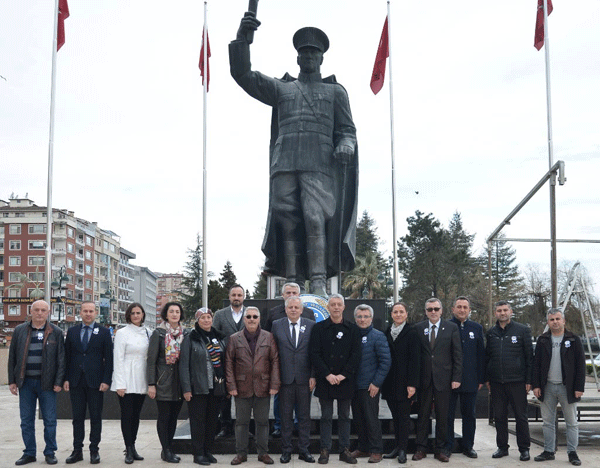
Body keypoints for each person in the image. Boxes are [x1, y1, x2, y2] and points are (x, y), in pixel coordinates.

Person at [229, 13, 358, 296]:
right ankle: (293, 280)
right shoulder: (282, 88)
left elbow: (348, 129)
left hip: (319, 162)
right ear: (298, 58)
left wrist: (346, 144)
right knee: (288, 220)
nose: (309, 57)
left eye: (314, 53)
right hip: (285, 161)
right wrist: (243, 39)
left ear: (322, 58)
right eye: (304, 53)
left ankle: (319, 281)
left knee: (314, 217)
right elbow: (243, 74)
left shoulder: (335, 92)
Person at [8, 300, 65, 466]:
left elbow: (61, 359)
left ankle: (50, 452)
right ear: (30, 311)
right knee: (26, 420)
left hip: (47, 384)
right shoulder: (19, 330)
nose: (40, 313)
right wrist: (12, 380)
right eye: (37, 310)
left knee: (49, 420)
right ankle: (29, 453)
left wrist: (58, 381)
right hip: (25, 383)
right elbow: (12, 357)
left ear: (48, 312)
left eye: (43, 310)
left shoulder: (56, 331)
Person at [309, 294, 361, 465]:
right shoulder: (318, 328)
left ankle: (344, 450)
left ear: (344, 307)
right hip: (326, 379)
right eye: (333, 304)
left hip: (345, 380)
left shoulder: (352, 329)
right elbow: (314, 354)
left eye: (339, 304)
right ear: (328, 307)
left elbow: (356, 354)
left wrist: (343, 375)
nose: (336, 307)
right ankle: (325, 450)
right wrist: (327, 374)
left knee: (345, 416)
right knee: (325, 416)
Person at [225, 307, 280, 465]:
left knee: (262, 422)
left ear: (259, 318)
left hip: (263, 386)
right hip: (241, 387)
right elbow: (228, 364)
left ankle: (263, 453)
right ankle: (241, 453)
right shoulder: (235, 338)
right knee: (241, 423)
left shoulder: (269, 337)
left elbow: (275, 361)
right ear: (244, 319)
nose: (251, 319)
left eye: (254, 316)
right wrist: (231, 385)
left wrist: (274, 384)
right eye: (248, 316)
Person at [532, 308, 585, 466]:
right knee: (547, 422)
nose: (555, 322)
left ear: (563, 321)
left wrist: (579, 387)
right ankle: (549, 451)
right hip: (547, 387)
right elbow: (536, 365)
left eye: (557, 319)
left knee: (571, 422)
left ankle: (572, 453)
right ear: (548, 322)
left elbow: (581, 365)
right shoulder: (542, 340)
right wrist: (536, 385)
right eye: (551, 319)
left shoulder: (574, 339)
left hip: (567, 388)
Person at [412, 298, 462, 463]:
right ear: (425, 311)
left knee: (442, 416)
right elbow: (415, 356)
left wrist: (456, 377)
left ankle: (440, 450)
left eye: (436, 309)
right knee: (423, 415)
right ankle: (421, 448)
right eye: (429, 309)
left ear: (441, 310)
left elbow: (457, 355)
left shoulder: (451, 328)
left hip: (445, 380)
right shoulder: (418, 328)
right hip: (424, 380)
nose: (433, 312)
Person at [63, 301, 113, 464]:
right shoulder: (72, 332)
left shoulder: (104, 332)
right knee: (77, 418)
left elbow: (109, 359)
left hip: (96, 382)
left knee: (95, 417)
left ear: (95, 313)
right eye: (85, 311)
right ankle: (77, 450)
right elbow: (66, 358)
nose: (88, 313)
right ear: (80, 313)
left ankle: (94, 451)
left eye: (91, 311)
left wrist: (106, 380)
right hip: (76, 381)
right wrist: (65, 378)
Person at [264, 281, 315, 439]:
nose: (292, 296)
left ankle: (300, 425)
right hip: (282, 366)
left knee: (303, 402)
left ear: (299, 296)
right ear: (283, 295)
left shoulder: (308, 314)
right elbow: (267, 338)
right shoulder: (273, 313)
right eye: (288, 293)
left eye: (294, 293)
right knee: (281, 400)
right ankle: (279, 425)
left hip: (302, 368)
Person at [271, 296, 317, 464]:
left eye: (296, 307)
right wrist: (275, 379)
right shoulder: (277, 325)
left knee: (304, 417)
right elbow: (273, 354)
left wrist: (313, 375)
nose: (293, 310)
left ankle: (304, 450)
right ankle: (286, 450)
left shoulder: (311, 325)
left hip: (305, 380)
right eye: (290, 307)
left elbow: (314, 353)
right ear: (286, 309)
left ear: (301, 309)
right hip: (285, 380)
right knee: (285, 417)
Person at [485, 300, 533, 461]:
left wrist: (528, 380)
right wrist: (488, 378)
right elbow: (487, 357)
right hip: (497, 383)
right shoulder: (491, 333)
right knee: (499, 417)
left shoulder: (522, 330)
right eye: (499, 310)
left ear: (511, 312)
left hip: (518, 382)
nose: (502, 313)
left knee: (521, 416)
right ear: (495, 313)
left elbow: (529, 358)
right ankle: (502, 447)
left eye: (505, 310)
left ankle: (524, 449)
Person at [180, 308, 227, 465]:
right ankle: (198, 453)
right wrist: (186, 388)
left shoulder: (218, 338)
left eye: (209, 317)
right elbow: (184, 365)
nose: (206, 320)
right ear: (197, 320)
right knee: (198, 422)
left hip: (216, 387)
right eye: (203, 318)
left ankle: (208, 451)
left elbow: (224, 362)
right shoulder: (190, 338)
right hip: (198, 387)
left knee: (212, 421)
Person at [147, 302, 188, 463]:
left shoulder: (185, 333)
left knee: (174, 417)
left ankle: (169, 448)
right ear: (166, 314)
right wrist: (151, 384)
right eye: (171, 311)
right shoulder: (159, 333)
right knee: (164, 417)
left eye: (177, 311)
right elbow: (151, 360)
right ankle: (166, 449)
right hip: (163, 380)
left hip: (179, 382)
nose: (174, 314)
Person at [350, 304, 391, 464]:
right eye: (359, 316)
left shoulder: (378, 336)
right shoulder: (352, 334)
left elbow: (385, 362)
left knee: (371, 419)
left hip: (370, 387)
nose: (362, 319)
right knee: (359, 419)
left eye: (366, 316)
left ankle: (376, 450)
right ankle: (363, 447)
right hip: (354, 386)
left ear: (371, 318)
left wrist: (376, 383)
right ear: (355, 318)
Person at [381, 302, 420, 464]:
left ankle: (403, 449)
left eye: (401, 312)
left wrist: (412, 384)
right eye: (395, 312)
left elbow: (415, 360)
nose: (398, 314)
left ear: (406, 314)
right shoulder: (386, 333)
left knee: (403, 418)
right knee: (395, 418)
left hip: (405, 384)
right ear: (391, 315)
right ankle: (397, 447)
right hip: (390, 383)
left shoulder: (412, 332)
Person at [446, 296, 485, 459]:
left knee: (469, 415)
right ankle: (447, 446)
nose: (462, 310)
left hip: (470, 380)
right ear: (453, 309)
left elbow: (481, 355)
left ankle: (468, 446)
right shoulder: (446, 326)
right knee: (447, 415)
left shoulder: (476, 328)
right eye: (459, 307)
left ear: (469, 310)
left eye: (465, 307)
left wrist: (481, 379)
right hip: (449, 381)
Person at [111, 303, 150, 464]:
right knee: (127, 415)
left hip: (141, 378)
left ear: (142, 315)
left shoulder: (148, 332)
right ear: (128, 315)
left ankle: (133, 447)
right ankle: (128, 448)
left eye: (138, 313)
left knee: (136, 416)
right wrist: (120, 383)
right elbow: (118, 358)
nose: (135, 316)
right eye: (133, 313)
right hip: (126, 379)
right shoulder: (122, 333)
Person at [213, 284, 246, 438]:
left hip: (246, 362)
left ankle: (244, 427)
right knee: (225, 396)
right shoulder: (220, 315)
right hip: (225, 360)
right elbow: (214, 337)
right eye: (234, 295)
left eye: (239, 295)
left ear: (243, 297)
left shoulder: (251, 313)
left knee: (245, 396)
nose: (236, 298)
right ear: (229, 297)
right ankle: (226, 426)